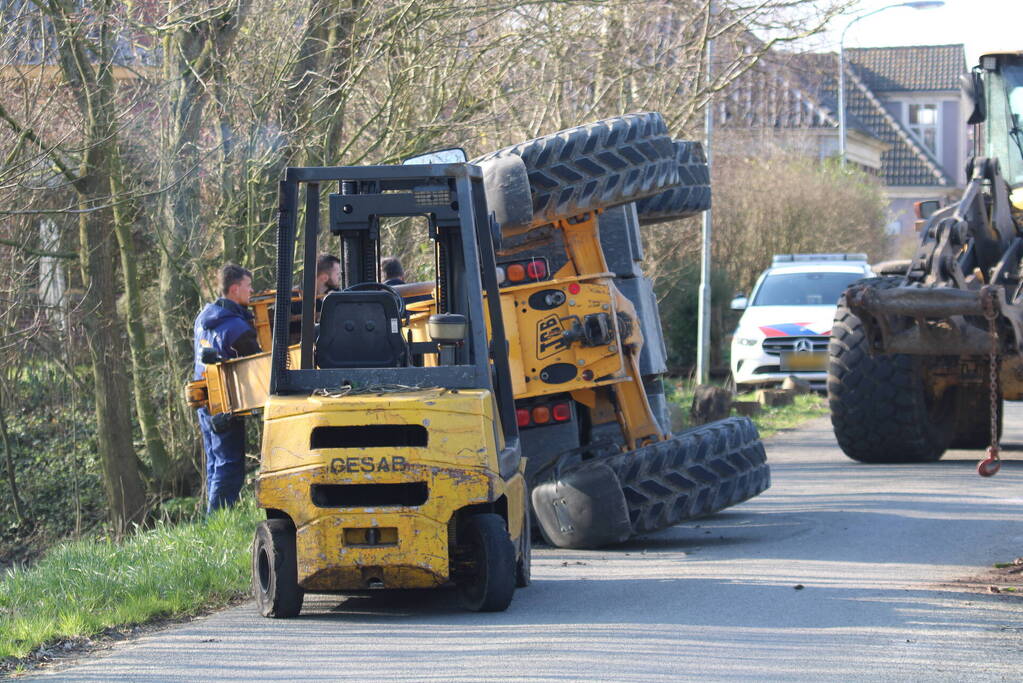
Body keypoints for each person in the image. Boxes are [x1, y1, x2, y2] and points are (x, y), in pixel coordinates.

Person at [193, 264, 261, 514]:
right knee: (229, 465)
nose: (252, 291)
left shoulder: (202, 318)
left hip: (204, 400)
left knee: (214, 462)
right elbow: (259, 365)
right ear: (234, 289)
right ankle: (217, 521)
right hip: (227, 403)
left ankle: (211, 522)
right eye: (248, 286)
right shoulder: (237, 328)